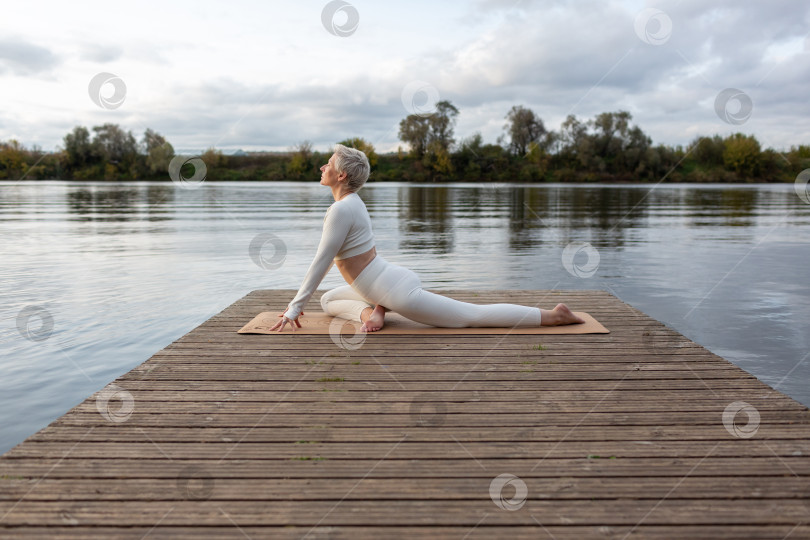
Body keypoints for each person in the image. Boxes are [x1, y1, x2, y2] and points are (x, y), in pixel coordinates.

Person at [271, 144, 585, 333]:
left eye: (329, 164)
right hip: (380, 282)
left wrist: (294, 308)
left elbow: (321, 262)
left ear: (341, 176)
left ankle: (554, 316)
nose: (322, 166)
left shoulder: (343, 209)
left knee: (470, 317)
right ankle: (374, 311)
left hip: (397, 290)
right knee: (329, 300)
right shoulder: (350, 204)